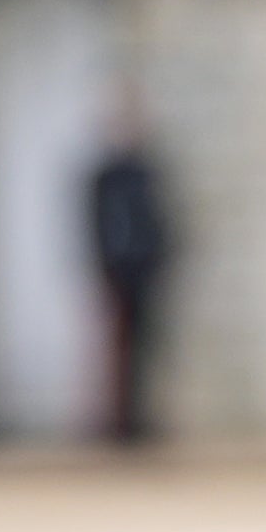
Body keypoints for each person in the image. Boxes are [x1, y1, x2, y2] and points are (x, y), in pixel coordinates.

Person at [84, 94, 174, 449]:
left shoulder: (146, 172)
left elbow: (159, 221)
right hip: (116, 270)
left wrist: (161, 259)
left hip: (144, 270)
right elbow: (96, 224)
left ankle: (141, 419)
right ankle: (116, 424)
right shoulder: (105, 176)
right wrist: (102, 264)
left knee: (148, 347)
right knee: (114, 350)